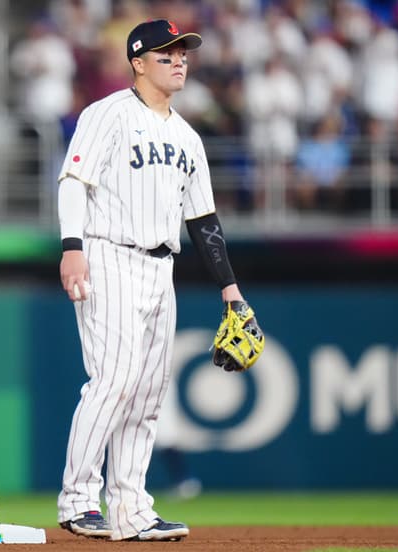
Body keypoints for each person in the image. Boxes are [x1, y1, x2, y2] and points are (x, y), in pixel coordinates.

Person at [56, 19, 252, 542]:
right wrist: (71, 247)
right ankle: (77, 499)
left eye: (184, 51)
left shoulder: (187, 137)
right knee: (115, 381)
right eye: (167, 54)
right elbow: (73, 182)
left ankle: (131, 510)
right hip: (107, 253)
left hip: (160, 266)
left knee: (147, 395)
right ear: (138, 63)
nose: (180, 59)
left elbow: (204, 221)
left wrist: (230, 291)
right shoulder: (107, 115)